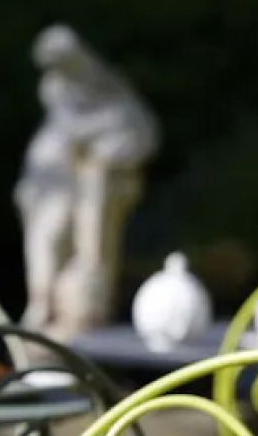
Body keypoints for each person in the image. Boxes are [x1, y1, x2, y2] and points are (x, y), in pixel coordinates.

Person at [15, 24, 159, 340]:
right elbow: (45, 161)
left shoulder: (113, 99)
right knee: (48, 236)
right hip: (59, 186)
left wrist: (101, 159)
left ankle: (85, 310)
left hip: (92, 190)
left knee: (88, 238)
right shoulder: (55, 96)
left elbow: (140, 137)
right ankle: (42, 304)